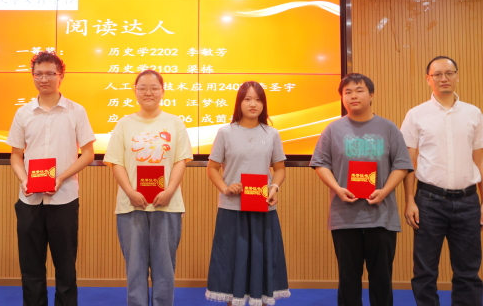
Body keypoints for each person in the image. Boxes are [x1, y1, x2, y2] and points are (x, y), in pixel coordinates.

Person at [310, 73, 413, 306]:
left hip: (382, 217)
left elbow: (402, 165)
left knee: (382, 280)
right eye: (347, 92)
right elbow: (320, 164)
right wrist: (337, 188)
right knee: (348, 280)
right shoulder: (333, 129)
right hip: (344, 217)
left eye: (359, 90)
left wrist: (385, 191)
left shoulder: (388, 128)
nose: (353, 96)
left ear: (371, 95)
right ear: (342, 98)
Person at [6, 51, 95, 306]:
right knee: (31, 266)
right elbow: (16, 156)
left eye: (49, 74)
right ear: (32, 76)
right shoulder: (23, 113)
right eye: (38, 74)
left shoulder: (76, 111)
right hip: (29, 200)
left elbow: (88, 154)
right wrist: (24, 179)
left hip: (64, 198)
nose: (43, 79)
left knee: (65, 266)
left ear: (61, 76)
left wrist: (61, 178)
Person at [103, 69, 192, 306]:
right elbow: (116, 163)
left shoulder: (175, 123)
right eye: (142, 88)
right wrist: (130, 192)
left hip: (167, 205)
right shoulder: (124, 124)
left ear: (163, 91)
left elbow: (180, 160)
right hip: (131, 206)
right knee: (135, 269)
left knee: (165, 269)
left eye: (154, 88)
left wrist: (169, 191)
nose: (148, 92)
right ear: (135, 91)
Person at [401, 56, 483, 306]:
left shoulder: (473, 113)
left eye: (449, 73)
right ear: (428, 79)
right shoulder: (416, 115)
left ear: (457, 76)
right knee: (424, 270)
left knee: (468, 271)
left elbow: (479, 161)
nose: (444, 78)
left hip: (468, 201)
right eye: (437, 74)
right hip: (428, 201)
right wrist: (409, 201)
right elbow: (408, 163)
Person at [204, 81, 290, 306]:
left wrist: (274, 188)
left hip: (263, 208)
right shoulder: (225, 132)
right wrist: (226, 188)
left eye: (258, 99)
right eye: (248, 99)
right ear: (239, 103)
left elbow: (280, 169)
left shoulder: (272, 133)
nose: (253, 104)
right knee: (232, 261)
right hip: (232, 208)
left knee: (263, 260)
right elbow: (212, 169)